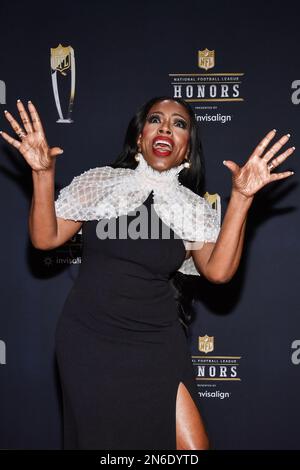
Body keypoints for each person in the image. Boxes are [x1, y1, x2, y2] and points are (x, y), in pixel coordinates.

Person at [0, 97, 295, 450]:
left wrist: (243, 198)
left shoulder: (192, 208)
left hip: (158, 343)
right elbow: (45, 238)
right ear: (140, 138)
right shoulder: (100, 183)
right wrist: (42, 173)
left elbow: (218, 272)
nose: (166, 127)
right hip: (89, 340)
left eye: (179, 124)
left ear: (187, 150)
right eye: (156, 119)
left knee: (194, 448)